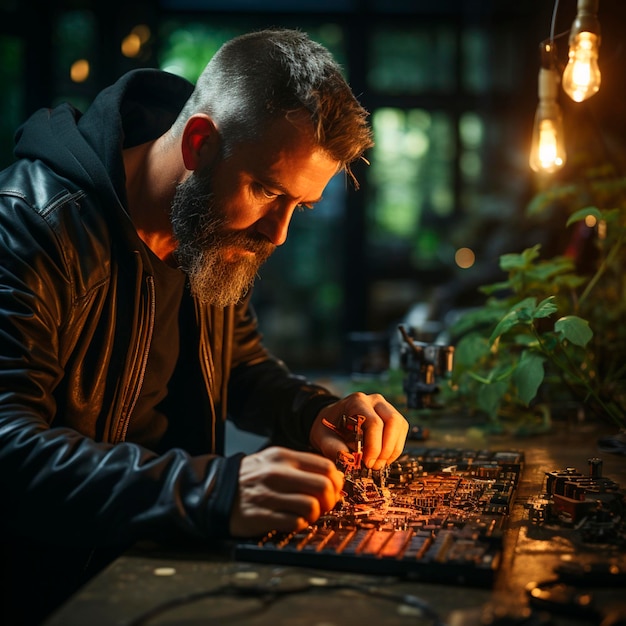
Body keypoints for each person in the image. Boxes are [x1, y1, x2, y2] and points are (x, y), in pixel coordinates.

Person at [0, 28, 408, 624]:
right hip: (55, 595)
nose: (279, 234)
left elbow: (241, 370)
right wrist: (212, 492)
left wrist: (314, 413)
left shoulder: (204, 232)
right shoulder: (29, 227)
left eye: (301, 205)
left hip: (168, 574)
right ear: (199, 143)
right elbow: (10, 447)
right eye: (268, 191)